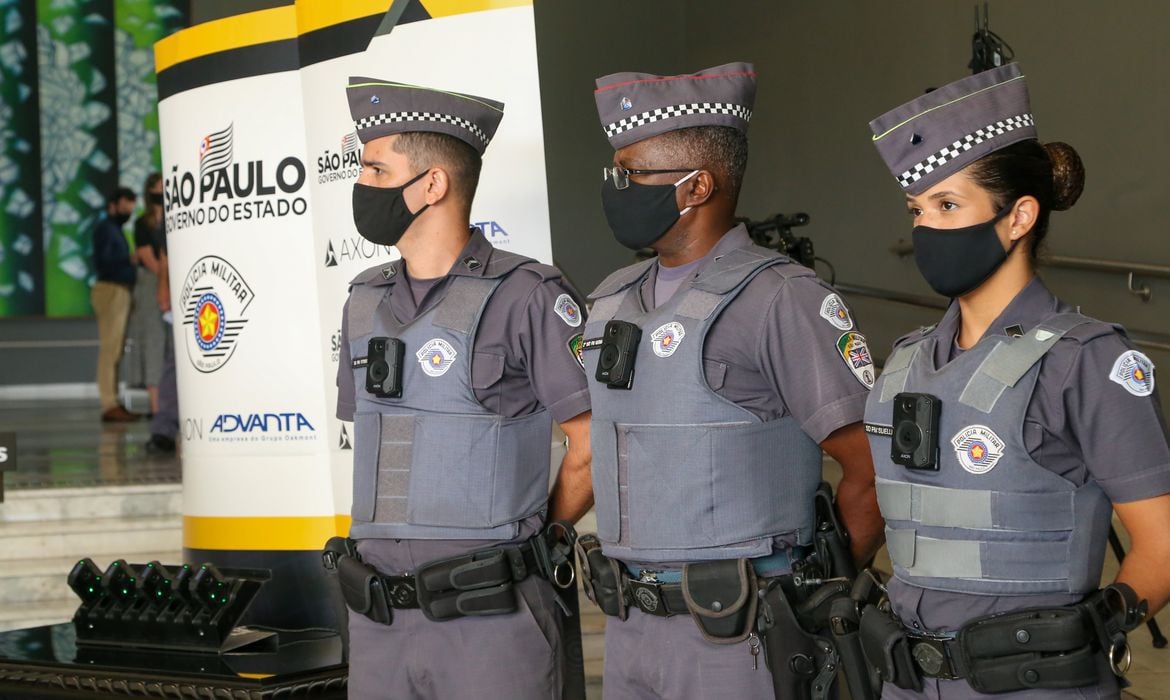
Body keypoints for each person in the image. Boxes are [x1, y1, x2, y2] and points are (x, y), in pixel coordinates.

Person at [861, 62, 1170, 698]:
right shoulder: (906, 361)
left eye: (948, 205)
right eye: (918, 210)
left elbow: (1164, 543)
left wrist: (1101, 624)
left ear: (1019, 216)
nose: (926, 229)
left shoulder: (1085, 361)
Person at [577, 62, 883, 699]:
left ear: (696, 187)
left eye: (631, 174)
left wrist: (821, 589)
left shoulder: (780, 299)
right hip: (630, 629)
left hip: (738, 636)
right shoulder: (610, 299)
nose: (616, 187)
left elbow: (869, 465)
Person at [328, 77, 593, 700]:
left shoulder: (528, 295)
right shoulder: (363, 301)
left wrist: (532, 539)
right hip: (379, 621)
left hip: (488, 617)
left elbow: (594, 445)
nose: (360, 185)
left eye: (373, 169)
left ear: (432, 185)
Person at [91, 186, 140, 423]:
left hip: (118, 289)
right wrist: (129, 259)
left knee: (115, 348)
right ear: (113, 204)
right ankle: (108, 402)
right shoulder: (106, 229)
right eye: (126, 205)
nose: (129, 210)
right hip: (111, 288)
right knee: (110, 349)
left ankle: (112, 400)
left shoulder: (114, 229)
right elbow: (103, 261)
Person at [123, 173, 167, 415]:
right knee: (153, 343)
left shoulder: (178, 218)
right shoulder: (142, 224)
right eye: (157, 189)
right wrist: (166, 276)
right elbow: (147, 258)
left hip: (174, 281)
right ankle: (156, 407)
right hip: (151, 284)